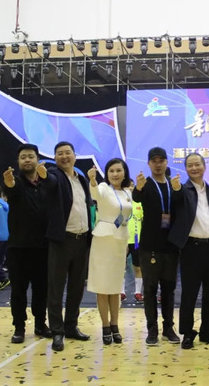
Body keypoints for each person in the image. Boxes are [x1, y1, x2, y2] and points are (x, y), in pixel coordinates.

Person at [39, 141, 93, 352]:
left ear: (75, 156)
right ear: (54, 158)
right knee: (56, 288)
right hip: (62, 241)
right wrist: (43, 176)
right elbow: (49, 182)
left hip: (82, 239)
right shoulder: (55, 175)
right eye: (59, 153)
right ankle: (57, 331)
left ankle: (71, 326)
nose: (64, 156)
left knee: (77, 288)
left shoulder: (82, 179)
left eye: (67, 152)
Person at [168, 153, 209, 349]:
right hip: (191, 249)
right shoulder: (182, 190)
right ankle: (187, 333)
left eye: (197, 164)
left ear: (204, 166)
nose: (194, 168)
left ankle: (207, 331)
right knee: (189, 294)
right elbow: (176, 201)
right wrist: (176, 189)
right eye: (190, 165)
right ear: (185, 169)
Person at [2, 143, 53, 344]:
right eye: (23, 157)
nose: (27, 160)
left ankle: (40, 324)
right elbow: (11, 190)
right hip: (19, 248)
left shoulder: (47, 183)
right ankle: (19, 327)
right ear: (18, 161)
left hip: (43, 248)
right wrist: (9, 184)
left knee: (41, 290)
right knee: (18, 291)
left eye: (30, 156)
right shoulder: (14, 183)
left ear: (38, 159)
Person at [132, 147, 180, 346]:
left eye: (161, 160)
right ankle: (152, 329)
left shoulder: (172, 184)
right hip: (149, 246)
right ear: (149, 163)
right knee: (150, 289)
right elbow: (136, 198)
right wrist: (138, 188)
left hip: (170, 246)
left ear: (167, 162)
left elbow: (180, 205)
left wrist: (178, 191)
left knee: (168, 289)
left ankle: (168, 328)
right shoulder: (146, 184)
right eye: (154, 161)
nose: (158, 164)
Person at [86, 159, 132, 345]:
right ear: (107, 173)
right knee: (102, 286)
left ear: (124, 172)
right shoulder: (104, 188)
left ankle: (115, 325)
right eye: (111, 170)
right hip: (103, 241)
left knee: (115, 287)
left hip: (120, 242)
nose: (115, 174)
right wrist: (92, 180)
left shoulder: (127, 192)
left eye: (118, 170)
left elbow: (127, 215)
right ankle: (105, 325)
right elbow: (95, 193)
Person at [125, 180, 144, 303]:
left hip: (136, 240)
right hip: (123, 239)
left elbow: (144, 220)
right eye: (128, 186)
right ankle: (121, 292)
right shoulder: (120, 203)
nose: (130, 188)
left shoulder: (139, 203)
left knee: (137, 267)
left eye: (132, 186)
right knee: (121, 268)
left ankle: (138, 293)